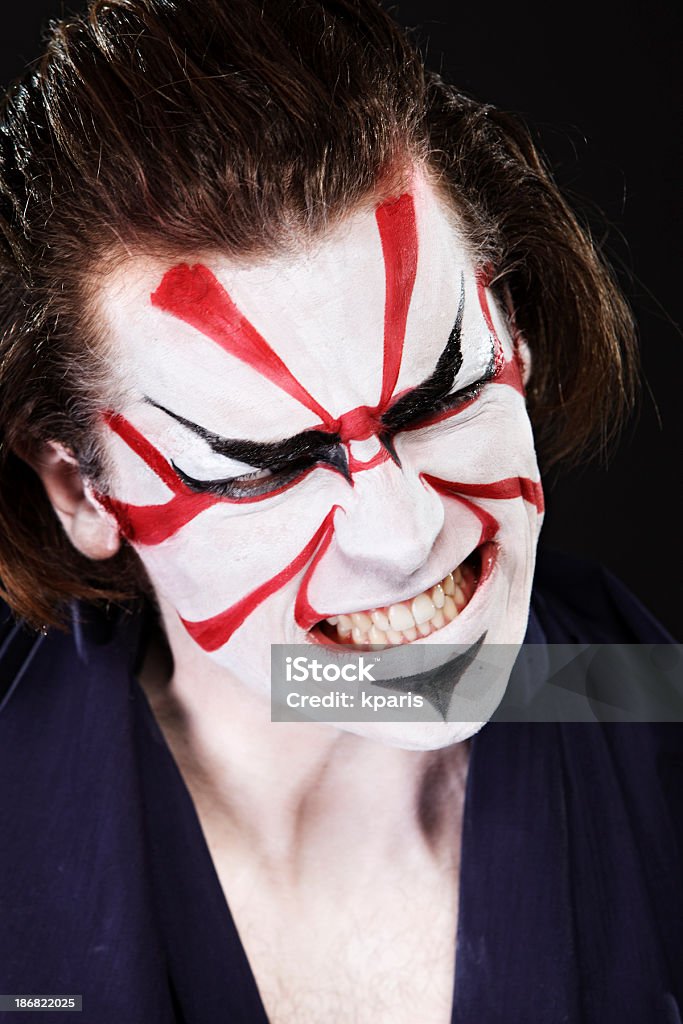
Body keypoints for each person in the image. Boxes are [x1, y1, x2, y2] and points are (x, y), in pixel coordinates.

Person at [0, 1, 680, 1021]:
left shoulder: (646, 720)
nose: (401, 535)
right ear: (83, 493)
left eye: (439, 395)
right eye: (263, 465)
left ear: (513, 327)